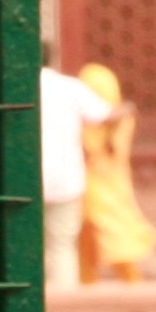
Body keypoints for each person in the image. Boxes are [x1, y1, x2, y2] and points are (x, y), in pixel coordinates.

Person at [41, 47, 116, 294]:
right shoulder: (70, 88)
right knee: (62, 243)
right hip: (65, 178)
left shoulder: (8, 86)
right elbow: (105, 115)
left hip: (19, 181)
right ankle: (62, 301)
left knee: (21, 243)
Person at [77, 61, 156, 284]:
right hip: (116, 183)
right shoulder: (124, 116)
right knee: (106, 237)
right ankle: (122, 284)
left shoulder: (89, 121)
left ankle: (102, 284)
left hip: (93, 186)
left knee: (104, 237)